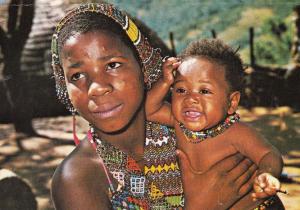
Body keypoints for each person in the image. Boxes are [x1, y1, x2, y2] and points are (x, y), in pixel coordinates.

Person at [50, 3, 257, 210]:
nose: (96, 88)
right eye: (76, 76)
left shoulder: (195, 130)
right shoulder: (77, 179)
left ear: (142, 64)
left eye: (112, 65)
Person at [146, 38, 285, 209]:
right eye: (181, 90)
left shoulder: (236, 133)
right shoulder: (178, 122)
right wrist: (164, 82)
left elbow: (269, 154)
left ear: (231, 102)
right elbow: (149, 110)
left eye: (204, 91)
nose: (191, 99)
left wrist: (267, 174)